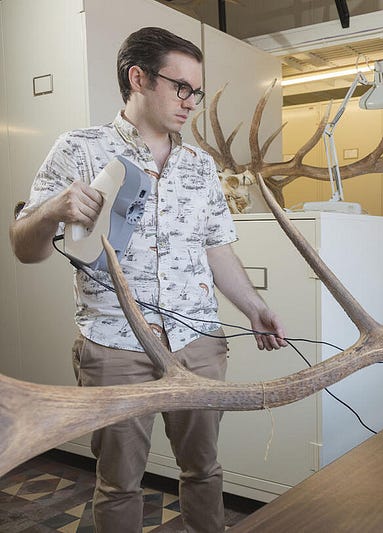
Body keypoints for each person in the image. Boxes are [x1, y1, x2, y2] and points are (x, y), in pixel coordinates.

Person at [9, 27, 287, 533]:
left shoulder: (201, 167)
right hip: (114, 346)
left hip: (198, 341)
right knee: (118, 483)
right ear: (137, 78)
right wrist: (52, 208)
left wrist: (253, 307)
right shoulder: (79, 149)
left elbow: (217, 249)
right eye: (180, 87)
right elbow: (23, 249)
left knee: (204, 470)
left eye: (196, 91)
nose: (191, 102)